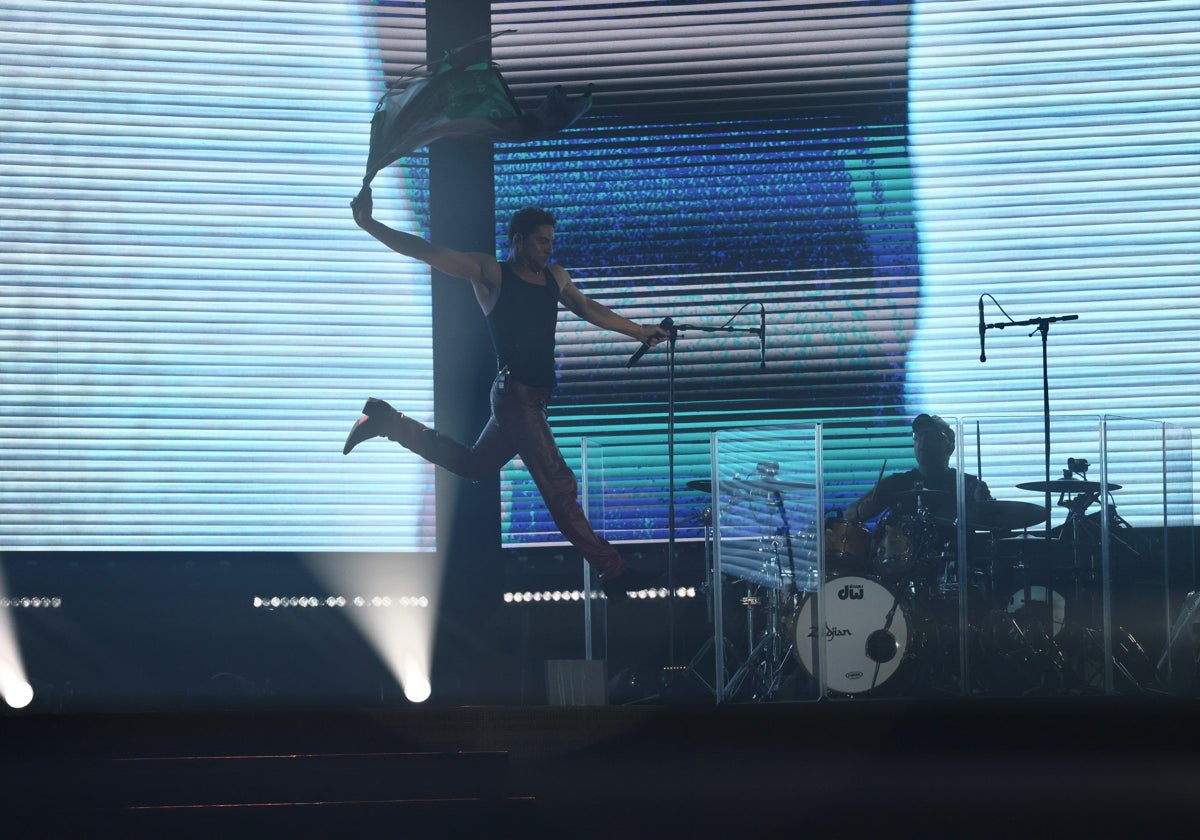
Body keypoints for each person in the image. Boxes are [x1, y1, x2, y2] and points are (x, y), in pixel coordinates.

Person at [343, 189, 670, 601]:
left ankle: (388, 421)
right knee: (559, 485)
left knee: (476, 466)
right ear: (517, 240)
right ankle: (614, 571)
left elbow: (588, 308)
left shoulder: (556, 277)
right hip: (516, 396)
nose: (548, 249)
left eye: (551, 241)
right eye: (541, 241)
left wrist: (641, 331)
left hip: (527, 399)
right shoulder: (490, 273)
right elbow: (428, 251)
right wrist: (371, 225)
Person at [844, 413, 992, 582]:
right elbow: (850, 513)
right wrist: (862, 510)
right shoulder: (896, 483)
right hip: (903, 576)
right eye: (918, 436)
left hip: (956, 575)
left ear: (949, 446)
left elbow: (996, 520)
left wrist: (983, 503)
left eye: (930, 436)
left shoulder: (968, 484)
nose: (922, 442)